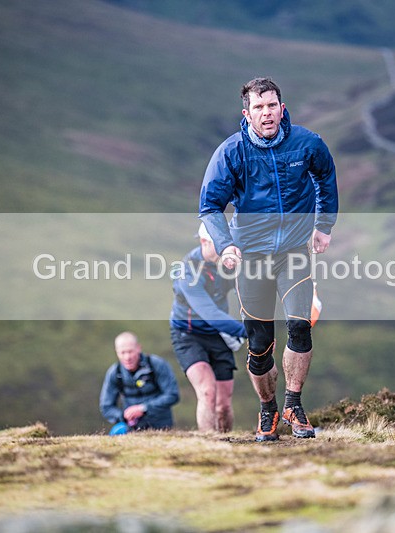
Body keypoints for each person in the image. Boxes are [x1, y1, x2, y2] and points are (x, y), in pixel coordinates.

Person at [199, 77, 338, 441]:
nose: (267, 113)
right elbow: (210, 206)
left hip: (294, 252)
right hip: (253, 258)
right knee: (259, 347)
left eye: (272, 105)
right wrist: (226, 244)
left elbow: (325, 176)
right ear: (247, 113)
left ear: (282, 108)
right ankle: (268, 409)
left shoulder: (307, 143)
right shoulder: (231, 152)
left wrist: (324, 224)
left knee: (299, 326)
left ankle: (294, 403)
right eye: (259, 107)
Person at [169, 223, 247, 432]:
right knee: (207, 392)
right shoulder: (187, 271)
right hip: (188, 334)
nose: (225, 248)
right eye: (220, 244)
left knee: (223, 404)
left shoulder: (227, 261)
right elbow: (210, 314)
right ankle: (210, 444)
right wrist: (250, 331)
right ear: (204, 242)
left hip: (218, 334)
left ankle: (227, 442)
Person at [99, 331, 180, 434]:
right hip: (131, 428)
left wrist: (144, 409)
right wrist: (123, 415)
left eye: (130, 351)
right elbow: (106, 407)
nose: (127, 357)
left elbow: (173, 395)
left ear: (138, 348)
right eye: (122, 353)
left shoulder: (157, 364)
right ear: (116, 352)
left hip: (161, 427)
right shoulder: (115, 373)